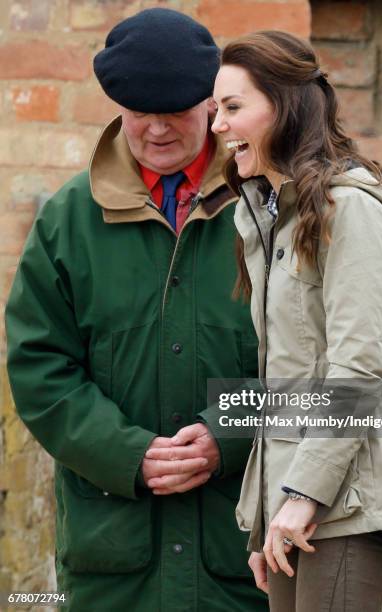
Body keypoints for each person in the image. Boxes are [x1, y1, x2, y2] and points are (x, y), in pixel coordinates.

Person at [5, 9, 268, 612]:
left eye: (174, 110)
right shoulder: (67, 221)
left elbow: (322, 370)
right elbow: (41, 369)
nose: (155, 129)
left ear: (209, 102)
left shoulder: (270, 207)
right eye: (137, 112)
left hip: (244, 553)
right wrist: (128, 454)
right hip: (113, 562)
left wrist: (225, 434)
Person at [212, 30, 382, 611]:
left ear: (282, 108)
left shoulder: (350, 209)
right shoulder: (270, 219)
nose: (218, 127)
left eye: (233, 108)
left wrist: (303, 494)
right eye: (216, 110)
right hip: (292, 500)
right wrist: (265, 514)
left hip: (345, 499)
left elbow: (357, 367)